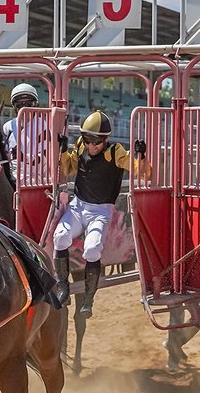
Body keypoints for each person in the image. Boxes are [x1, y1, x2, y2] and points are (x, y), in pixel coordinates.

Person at [55, 110, 147, 318]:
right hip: (77, 206)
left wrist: (141, 156)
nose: (91, 145)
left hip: (100, 211)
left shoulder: (116, 152)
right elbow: (69, 169)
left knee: (93, 249)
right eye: (87, 139)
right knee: (60, 236)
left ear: (105, 140)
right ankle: (63, 287)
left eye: (95, 141)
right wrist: (63, 151)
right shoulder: (80, 145)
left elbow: (140, 172)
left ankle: (88, 300)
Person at [2, 83, 47, 184]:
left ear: (36, 105)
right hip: (11, 173)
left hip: (34, 175)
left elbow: (44, 158)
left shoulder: (43, 126)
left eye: (29, 105)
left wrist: (24, 157)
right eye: (19, 105)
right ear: (14, 107)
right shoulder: (7, 126)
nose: (24, 109)